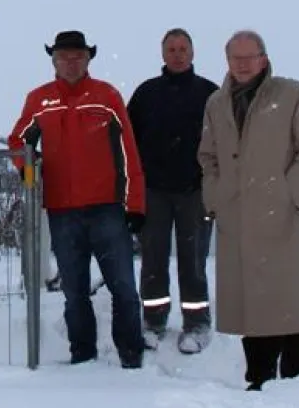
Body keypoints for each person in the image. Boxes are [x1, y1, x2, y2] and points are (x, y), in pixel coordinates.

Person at [197, 30, 299, 391]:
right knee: (253, 310)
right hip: (238, 220)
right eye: (235, 58)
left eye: (249, 56)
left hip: (283, 219)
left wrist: (289, 192)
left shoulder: (291, 94)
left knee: (292, 308)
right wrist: (217, 196)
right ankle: (258, 383)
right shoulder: (216, 102)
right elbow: (208, 158)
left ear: (264, 58)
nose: (242, 64)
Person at [8, 30, 146, 368]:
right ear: (53, 60)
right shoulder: (39, 100)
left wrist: (135, 204)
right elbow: (18, 142)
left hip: (107, 210)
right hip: (61, 211)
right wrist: (29, 164)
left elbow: (128, 152)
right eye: (64, 57)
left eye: (78, 56)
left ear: (88, 59)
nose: (71, 63)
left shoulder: (106, 96)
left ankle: (131, 357)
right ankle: (82, 358)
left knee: (124, 289)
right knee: (74, 293)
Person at [127, 28, 218, 354]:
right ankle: (153, 321)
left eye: (183, 48)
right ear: (162, 54)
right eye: (171, 49)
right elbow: (127, 142)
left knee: (193, 260)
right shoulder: (146, 94)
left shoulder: (211, 94)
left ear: (192, 53)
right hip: (154, 191)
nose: (177, 54)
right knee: (152, 258)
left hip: (196, 191)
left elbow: (225, 142)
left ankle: (197, 323)